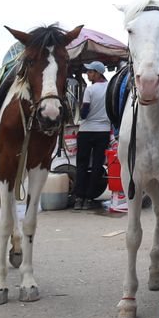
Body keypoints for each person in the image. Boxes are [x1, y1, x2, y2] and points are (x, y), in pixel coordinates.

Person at [73, 62, 111, 211]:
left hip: (86, 131)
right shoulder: (110, 88)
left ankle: (79, 198)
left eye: (90, 72)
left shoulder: (90, 90)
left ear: (97, 73)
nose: (87, 74)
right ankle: (89, 199)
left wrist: (79, 108)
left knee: (82, 164)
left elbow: (84, 113)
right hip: (103, 132)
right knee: (97, 165)